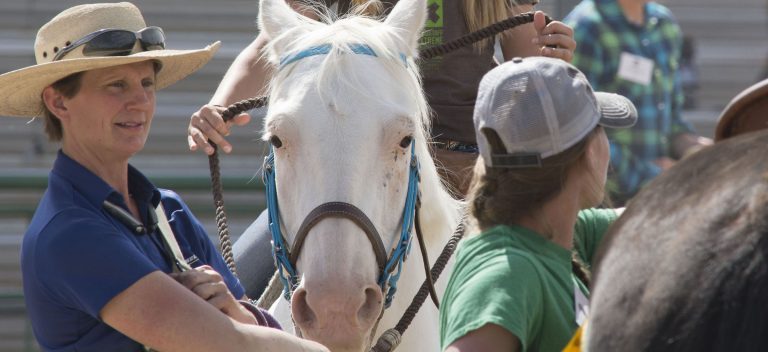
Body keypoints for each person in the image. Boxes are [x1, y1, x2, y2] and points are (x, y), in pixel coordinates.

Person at [186, 0, 576, 299]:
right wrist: (219, 107)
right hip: (362, 169)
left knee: (555, 287)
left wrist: (552, 56)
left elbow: (527, 60)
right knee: (238, 287)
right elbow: (271, 43)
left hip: (472, 169)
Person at [0, 3, 327, 351]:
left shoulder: (167, 209)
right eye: (116, 85)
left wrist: (235, 310)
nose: (140, 100)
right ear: (58, 103)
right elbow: (229, 343)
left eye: (146, 83)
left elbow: (248, 327)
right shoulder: (69, 233)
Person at [438, 56, 637, 352]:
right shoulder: (508, 274)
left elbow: (660, 217)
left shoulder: (559, 235)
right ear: (589, 151)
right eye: (601, 128)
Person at [564, 0, 712, 205]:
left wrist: (694, 149)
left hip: (658, 201)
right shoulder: (586, 28)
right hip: (605, 206)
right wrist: (652, 175)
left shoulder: (664, 24)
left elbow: (672, 119)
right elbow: (580, 132)